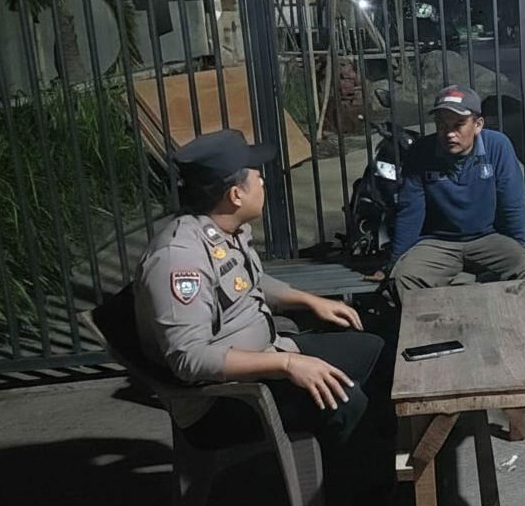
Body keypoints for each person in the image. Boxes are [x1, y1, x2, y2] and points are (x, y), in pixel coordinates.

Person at [134, 129, 388, 459]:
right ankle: (358, 485)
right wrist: (286, 364)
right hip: (226, 400)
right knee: (345, 400)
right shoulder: (179, 259)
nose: (263, 181)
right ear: (235, 195)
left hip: (270, 354)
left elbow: (247, 282)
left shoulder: (225, 229)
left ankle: (376, 452)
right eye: (256, 175)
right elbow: (190, 359)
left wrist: (309, 300)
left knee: (376, 350)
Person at [386, 85, 525, 302]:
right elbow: (410, 211)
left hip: (488, 238)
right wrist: (395, 262)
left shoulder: (497, 146)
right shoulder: (421, 151)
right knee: (404, 277)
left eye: (458, 124)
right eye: (442, 125)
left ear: (478, 124)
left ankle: (512, 322)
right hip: (437, 242)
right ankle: (437, 323)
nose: (449, 133)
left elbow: (513, 205)